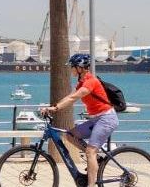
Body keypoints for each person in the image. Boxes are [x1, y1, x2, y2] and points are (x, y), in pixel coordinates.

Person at [41, 53, 117, 187]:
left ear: (80, 67)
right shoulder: (82, 82)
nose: (71, 69)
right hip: (96, 120)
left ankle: (91, 184)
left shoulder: (90, 82)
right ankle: (97, 159)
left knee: (90, 152)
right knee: (70, 135)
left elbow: (73, 98)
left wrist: (55, 108)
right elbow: (69, 96)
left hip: (106, 119)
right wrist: (52, 107)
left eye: (72, 67)